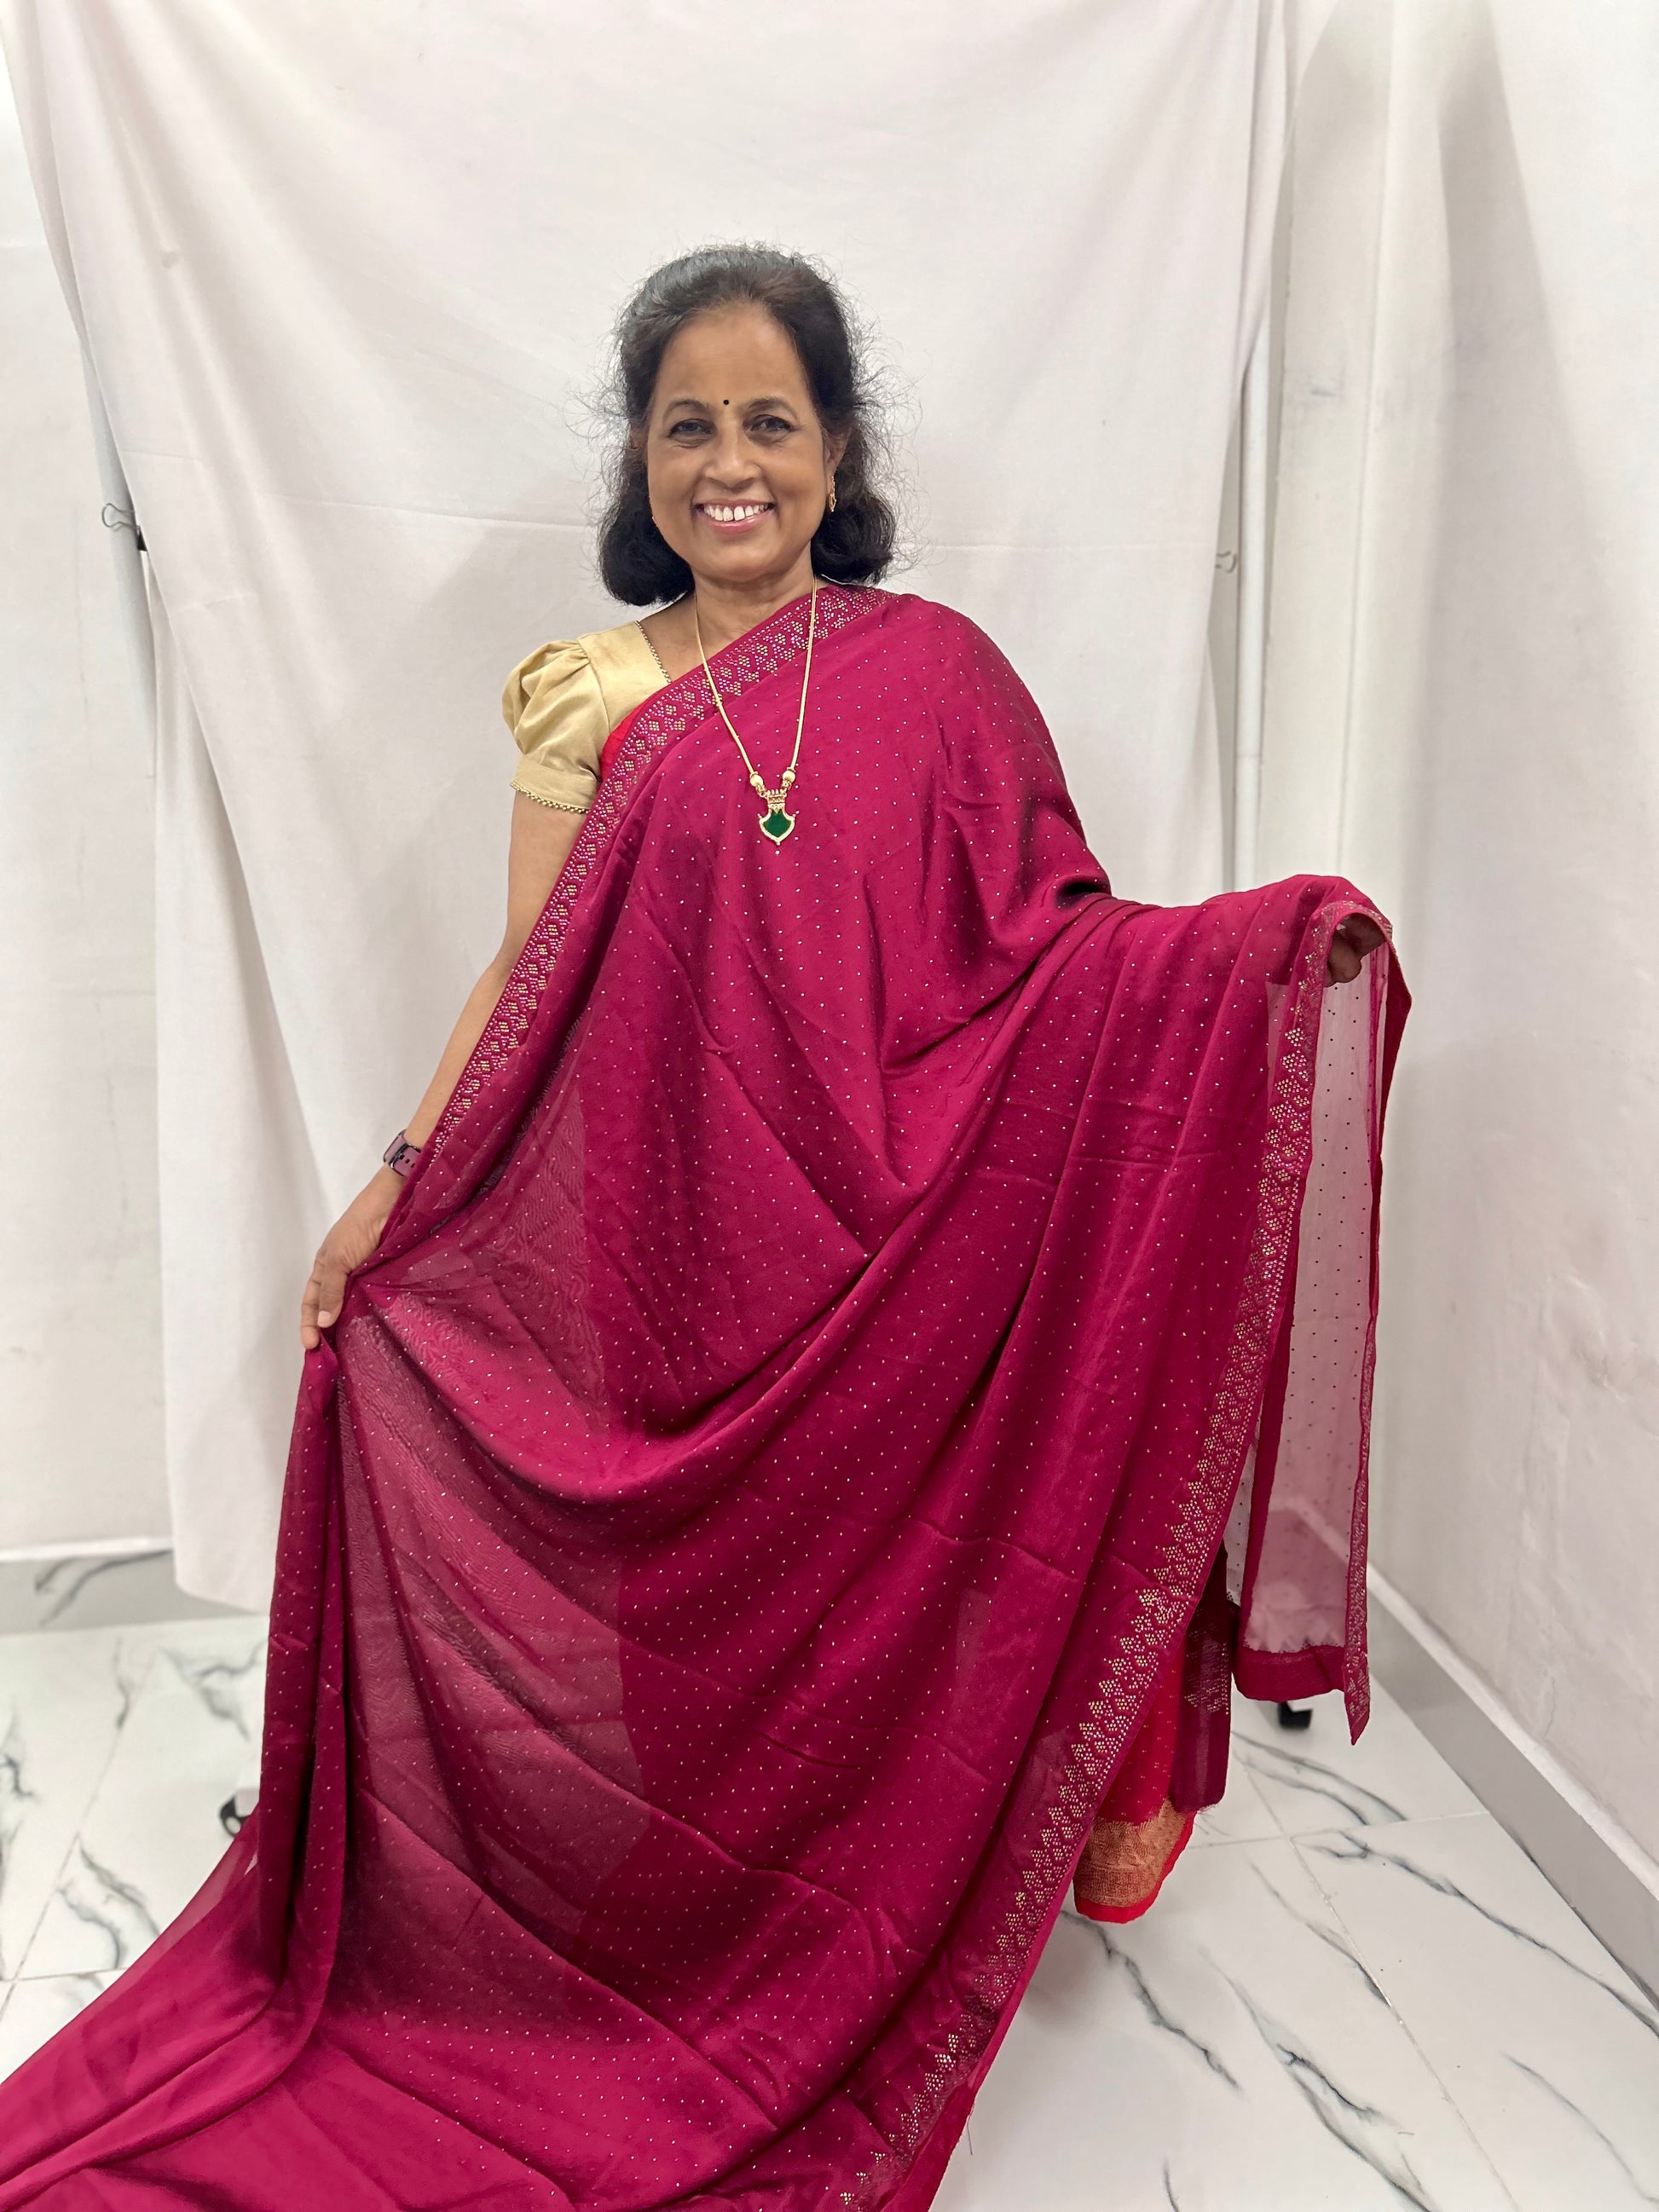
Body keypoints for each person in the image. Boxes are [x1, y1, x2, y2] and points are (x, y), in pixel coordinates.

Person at [0, 246, 1404, 2209]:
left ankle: (851, 1893)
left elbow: (1051, 949)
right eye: (687, 426)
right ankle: (674, 1917)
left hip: (887, 1236)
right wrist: (397, 1182)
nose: (727, 462)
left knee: (877, 1582)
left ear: (836, 452)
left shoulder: (940, 674)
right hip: (662, 1226)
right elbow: (524, 971)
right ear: (639, 460)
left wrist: (1248, 958)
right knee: (673, 1606)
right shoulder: (587, 690)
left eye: (768, 421)